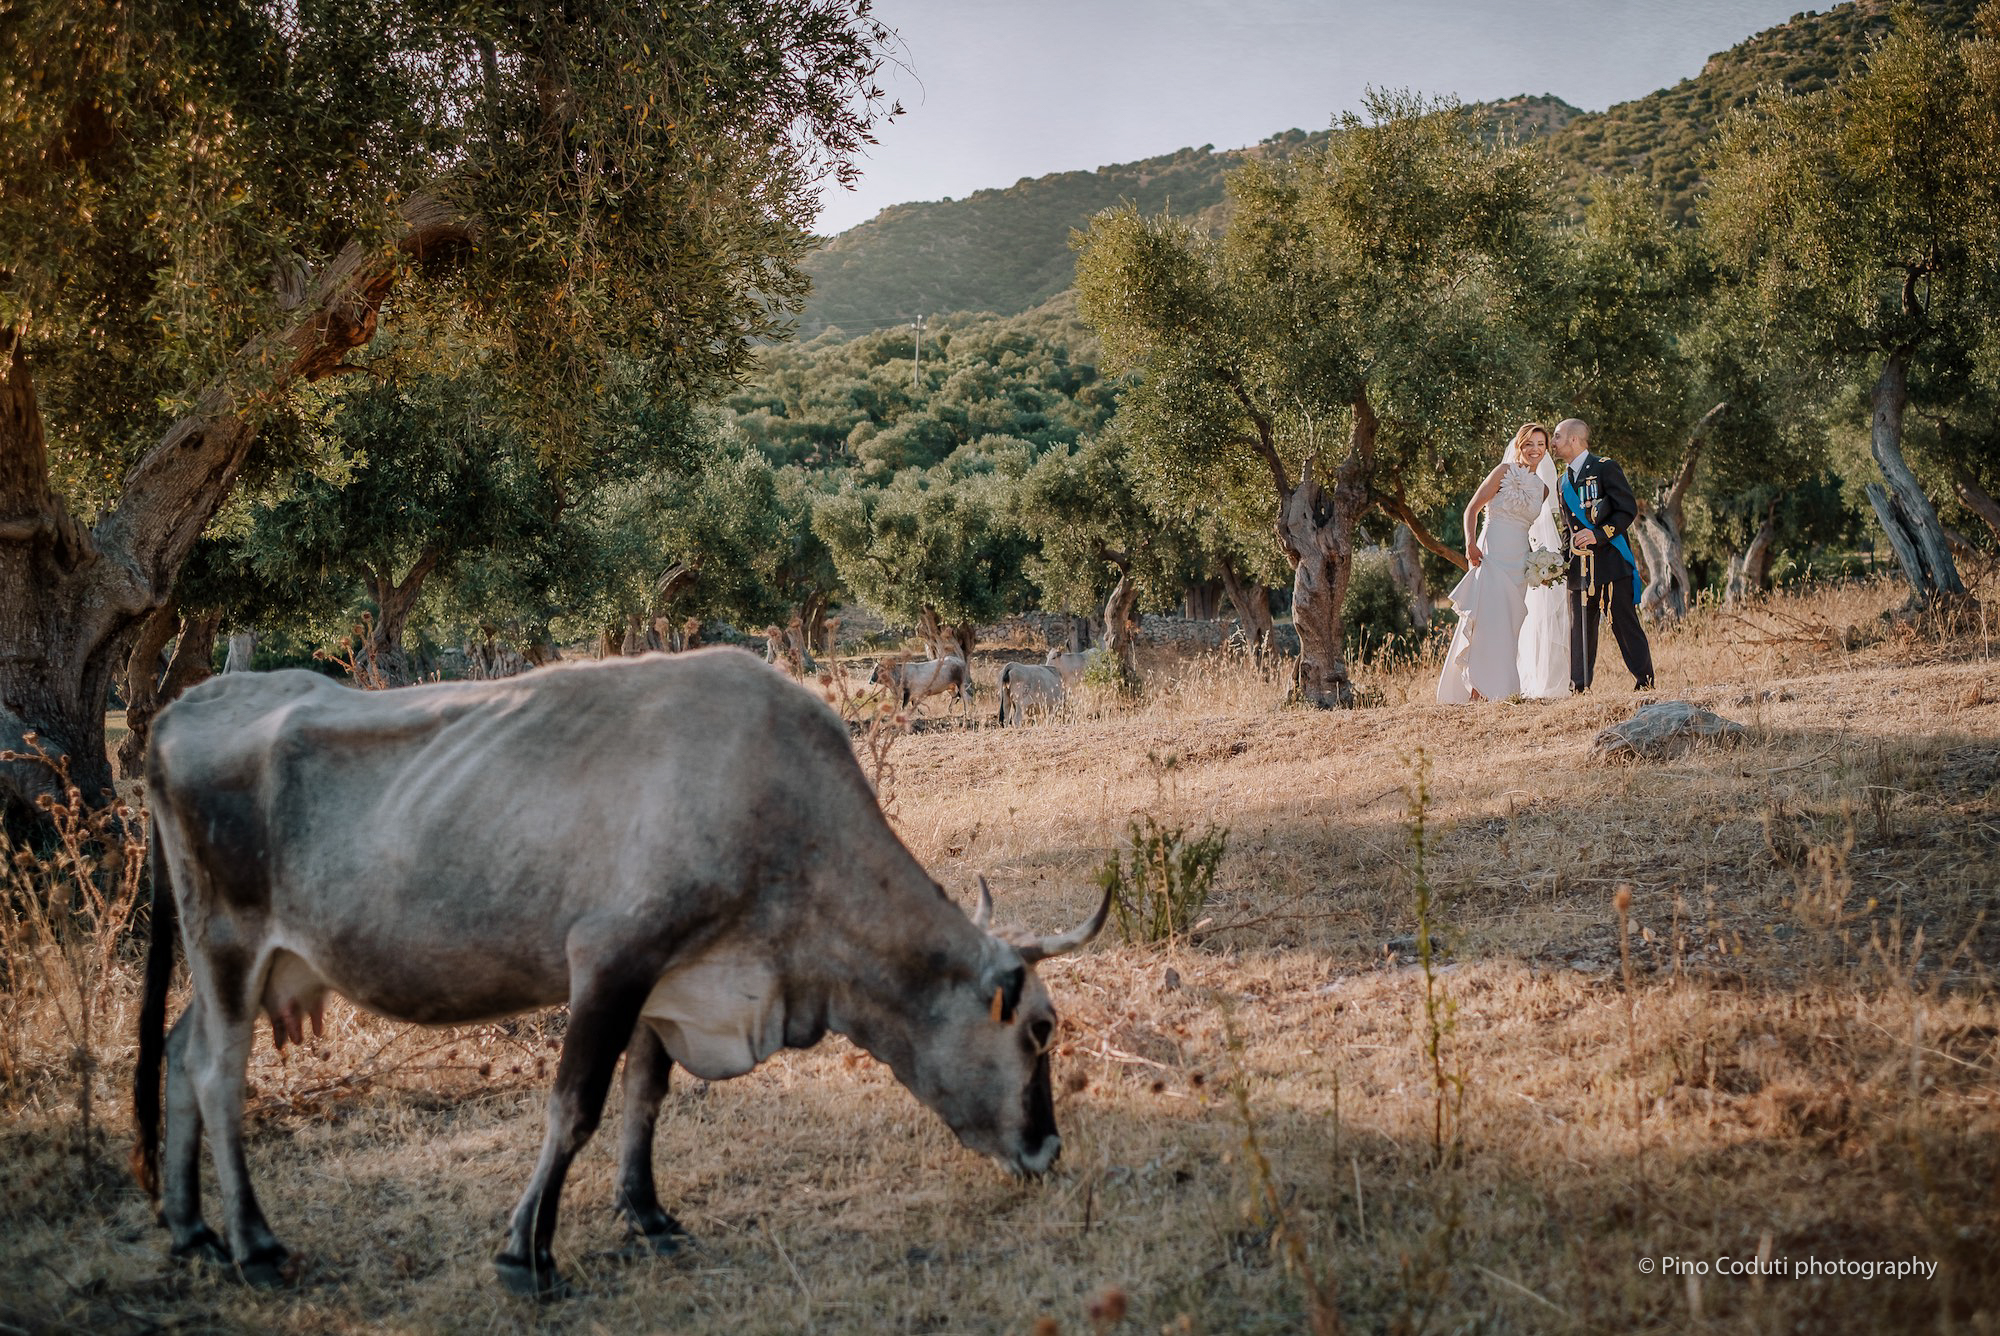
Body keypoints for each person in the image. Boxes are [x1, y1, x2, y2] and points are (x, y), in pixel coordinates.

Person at [1436, 423, 1551, 703]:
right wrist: (1470, 543)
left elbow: (1536, 531)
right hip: (1492, 554)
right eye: (1529, 444)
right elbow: (1472, 508)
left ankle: (1500, 692)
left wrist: (1542, 564)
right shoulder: (1503, 472)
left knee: (1510, 625)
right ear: (1519, 446)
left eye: (1540, 444)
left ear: (1546, 449)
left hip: (1520, 561)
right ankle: (1476, 690)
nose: (1535, 450)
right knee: (1487, 623)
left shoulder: (1544, 489)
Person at [1548, 418, 1655, 692]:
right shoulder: (1563, 482)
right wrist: (1562, 558)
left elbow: (1627, 509)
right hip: (1579, 567)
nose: (1553, 442)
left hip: (1610, 562)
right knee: (1580, 630)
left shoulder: (1605, 468)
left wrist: (1599, 534)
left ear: (1574, 440)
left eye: (1557, 436)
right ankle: (1579, 687)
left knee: (1624, 624)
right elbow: (1566, 527)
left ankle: (1645, 682)